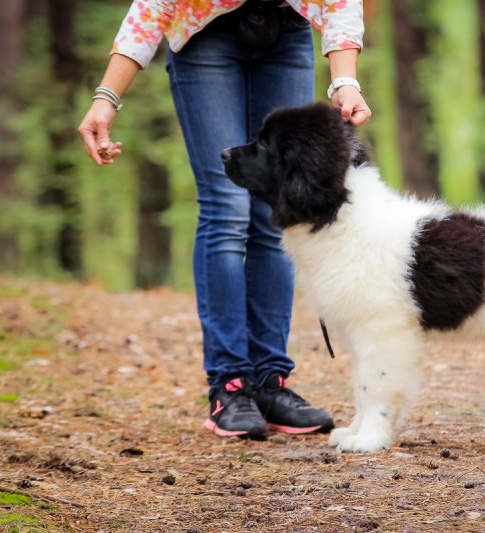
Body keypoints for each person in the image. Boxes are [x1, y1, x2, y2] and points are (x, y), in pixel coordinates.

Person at [77, 0, 371, 440]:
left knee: (275, 214)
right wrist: (107, 97)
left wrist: (345, 80)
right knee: (227, 209)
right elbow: (153, 6)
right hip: (204, 36)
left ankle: (270, 382)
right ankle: (229, 387)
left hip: (286, 30)